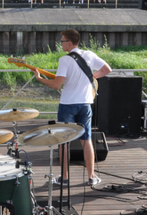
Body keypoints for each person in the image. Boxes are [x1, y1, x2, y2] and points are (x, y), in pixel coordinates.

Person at [32, 30, 112, 186]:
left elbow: (56, 85)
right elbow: (107, 70)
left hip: (68, 105)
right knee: (86, 140)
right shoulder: (89, 55)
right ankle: (91, 177)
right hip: (85, 104)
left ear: (69, 43)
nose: (60, 44)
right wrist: (90, 77)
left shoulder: (65, 60)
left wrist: (39, 78)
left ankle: (65, 178)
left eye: (62, 41)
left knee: (64, 142)